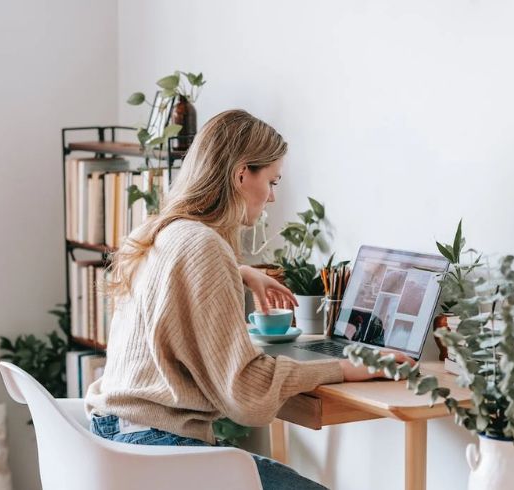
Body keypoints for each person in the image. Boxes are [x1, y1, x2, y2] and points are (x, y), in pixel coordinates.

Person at [85, 109, 414, 489]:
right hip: (158, 449)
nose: (273, 196)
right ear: (242, 174)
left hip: (117, 436)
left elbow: (171, 288)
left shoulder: (164, 230)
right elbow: (246, 392)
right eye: (272, 181)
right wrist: (345, 367)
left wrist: (240, 272)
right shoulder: (204, 246)